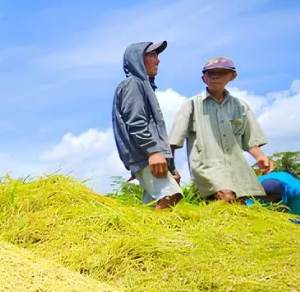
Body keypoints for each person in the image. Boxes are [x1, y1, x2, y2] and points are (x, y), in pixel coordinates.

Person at [168, 56, 274, 203]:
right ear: (203, 78)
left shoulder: (240, 106)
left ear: (232, 76)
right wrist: (170, 168)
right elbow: (173, 140)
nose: (215, 77)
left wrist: (261, 157)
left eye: (221, 73)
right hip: (208, 166)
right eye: (210, 73)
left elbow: (250, 140)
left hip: (237, 167)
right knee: (226, 196)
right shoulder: (192, 105)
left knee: (240, 204)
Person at [112, 40, 183, 210]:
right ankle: (153, 235)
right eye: (151, 55)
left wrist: (170, 164)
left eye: (156, 55)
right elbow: (135, 122)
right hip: (145, 155)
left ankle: (147, 232)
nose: (157, 60)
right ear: (136, 59)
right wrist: (153, 151)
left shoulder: (144, 87)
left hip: (151, 155)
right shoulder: (133, 84)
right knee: (171, 195)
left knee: (151, 206)